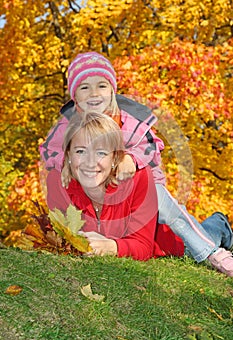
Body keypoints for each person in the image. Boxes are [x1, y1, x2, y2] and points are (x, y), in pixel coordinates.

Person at [40, 51, 233, 275]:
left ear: (112, 89)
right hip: (112, 196)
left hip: (142, 186)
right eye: (84, 87)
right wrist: (63, 164)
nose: (94, 94)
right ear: (74, 96)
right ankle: (214, 227)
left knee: (174, 226)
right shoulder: (68, 127)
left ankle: (212, 249)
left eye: (101, 86)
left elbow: (152, 145)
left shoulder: (129, 119)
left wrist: (132, 159)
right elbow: (49, 150)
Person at [59, 111, 233, 274]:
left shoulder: (139, 178)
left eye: (101, 152)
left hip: (172, 243)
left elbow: (143, 247)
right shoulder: (67, 184)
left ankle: (220, 224)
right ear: (68, 155)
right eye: (80, 151)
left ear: (115, 158)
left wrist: (111, 247)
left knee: (209, 234)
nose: (90, 162)